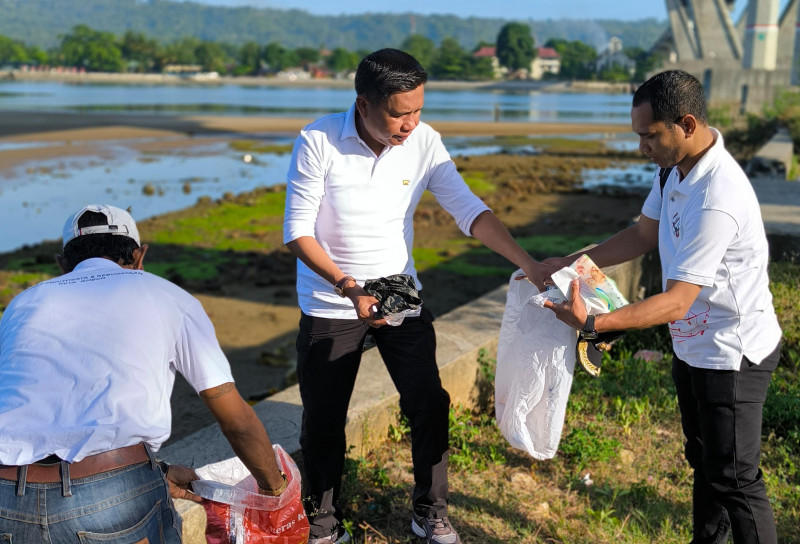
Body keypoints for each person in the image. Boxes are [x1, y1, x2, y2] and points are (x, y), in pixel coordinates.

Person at [283, 48, 551, 544]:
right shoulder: (318, 139)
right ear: (363, 104)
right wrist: (348, 287)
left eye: (418, 110)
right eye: (399, 113)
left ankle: (431, 512)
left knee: (428, 401)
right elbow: (298, 232)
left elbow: (469, 210)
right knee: (323, 419)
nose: (410, 123)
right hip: (332, 295)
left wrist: (529, 265)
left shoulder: (425, 142)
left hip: (397, 289)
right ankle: (322, 522)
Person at [544, 70, 782, 544]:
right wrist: (566, 264)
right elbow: (641, 234)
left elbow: (675, 301)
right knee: (705, 461)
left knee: (735, 479)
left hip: (730, 351)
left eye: (649, 136)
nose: (641, 148)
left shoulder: (718, 197)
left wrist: (594, 321)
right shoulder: (675, 167)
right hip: (693, 342)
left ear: (687, 124)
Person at [0, 205, 290, 543]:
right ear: (140, 256)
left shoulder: (22, 304)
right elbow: (235, 421)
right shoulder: (168, 296)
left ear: (62, 264)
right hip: (111, 501)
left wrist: (155, 472)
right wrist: (275, 491)